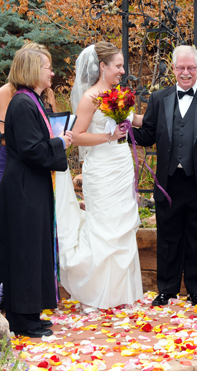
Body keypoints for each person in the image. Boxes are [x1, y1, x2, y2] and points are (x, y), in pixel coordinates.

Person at [0, 47, 73, 338]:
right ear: (32, 70)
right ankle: (22, 318)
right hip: (23, 186)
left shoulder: (32, 100)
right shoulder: (22, 104)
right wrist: (60, 143)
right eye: (48, 67)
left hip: (31, 184)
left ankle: (31, 312)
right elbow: (30, 148)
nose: (52, 72)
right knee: (24, 249)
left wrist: (58, 141)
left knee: (33, 246)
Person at [132, 45, 197, 307]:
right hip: (169, 181)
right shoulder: (158, 98)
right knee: (168, 238)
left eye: (191, 67)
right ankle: (167, 289)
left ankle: (196, 290)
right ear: (173, 69)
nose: (186, 72)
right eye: (181, 67)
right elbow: (148, 133)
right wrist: (125, 130)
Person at [56, 42, 144, 311]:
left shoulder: (119, 94)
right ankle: (95, 293)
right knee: (104, 225)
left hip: (121, 164)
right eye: (118, 65)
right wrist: (109, 136)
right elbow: (77, 136)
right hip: (101, 167)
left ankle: (122, 293)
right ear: (102, 67)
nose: (122, 70)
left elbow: (133, 120)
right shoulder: (90, 97)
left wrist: (164, 115)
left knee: (124, 226)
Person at [0, 42, 58, 183]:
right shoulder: (6, 92)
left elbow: (52, 124)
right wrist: (34, 140)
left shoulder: (48, 93)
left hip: (43, 157)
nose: (51, 73)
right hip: (15, 160)